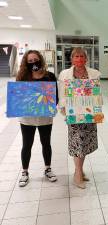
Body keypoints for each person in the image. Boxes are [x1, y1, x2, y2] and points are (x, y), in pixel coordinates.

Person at [58, 47, 101, 189]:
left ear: (86, 59)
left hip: (89, 113)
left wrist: (97, 110)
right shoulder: (65, 74)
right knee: (77, 142)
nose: (79, 59)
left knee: (85, 142)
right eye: (76, 56)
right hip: (73, 113)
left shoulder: (94, 74)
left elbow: (97, 93)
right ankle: (77, 175)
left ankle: (80, 170)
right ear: (72, 59)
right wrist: (63, 107)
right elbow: (62, 94)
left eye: (82, 56)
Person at [16, 50, 58, 187]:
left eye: (36, 59)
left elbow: (55, 97)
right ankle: (25, 172)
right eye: (30, 61)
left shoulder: (50, 76)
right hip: (27, 119)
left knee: (46, 143)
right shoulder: (22, 77)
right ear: (26, 64)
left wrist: (51, 103)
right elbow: (18, 98)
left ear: (41, 59)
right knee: (27, 145)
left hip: (45, 117)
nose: (34, 62)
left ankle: (48, 169)